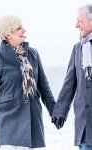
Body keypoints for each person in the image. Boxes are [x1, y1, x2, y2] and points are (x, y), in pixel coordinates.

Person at [0, 15, 55, 150]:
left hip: (32, 118)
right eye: (19, 28)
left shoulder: (33, 54)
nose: (24, 30)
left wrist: (54, 112)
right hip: (8, 119)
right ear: (8, 33)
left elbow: (44, 87)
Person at [52, 4, 92, 150]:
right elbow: (70, 82)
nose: (76, 25)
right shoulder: (78, 48)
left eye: (79, 21)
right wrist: (60, 111)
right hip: (85, 123)